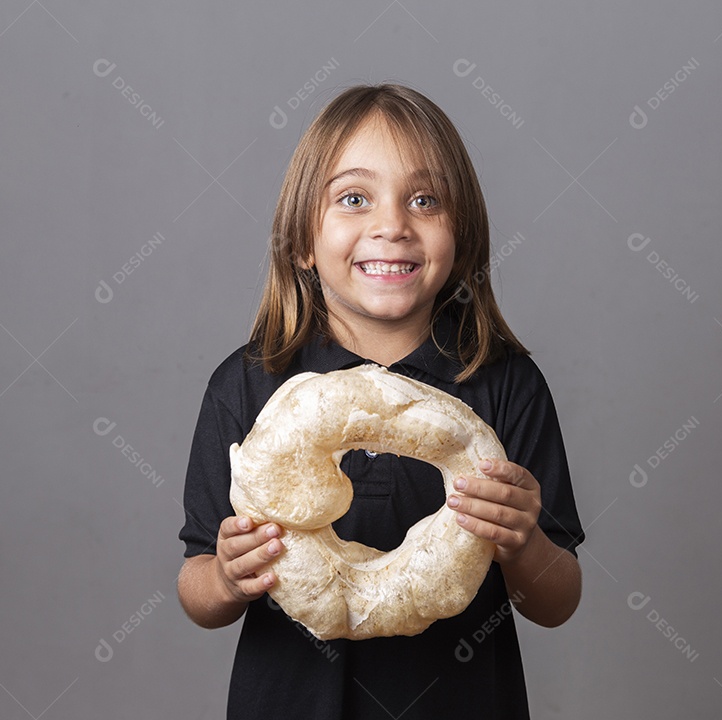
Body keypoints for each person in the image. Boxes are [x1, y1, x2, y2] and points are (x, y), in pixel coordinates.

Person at [177, 82, 585, 719]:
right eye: (354, 198)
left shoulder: (503, 382)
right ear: (302, 242)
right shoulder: (252, 383)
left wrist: (523, 540)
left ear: (463, 239)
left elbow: (556, 602)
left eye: (424, 200)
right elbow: (198, 592)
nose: (392, 225)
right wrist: (229, 577)